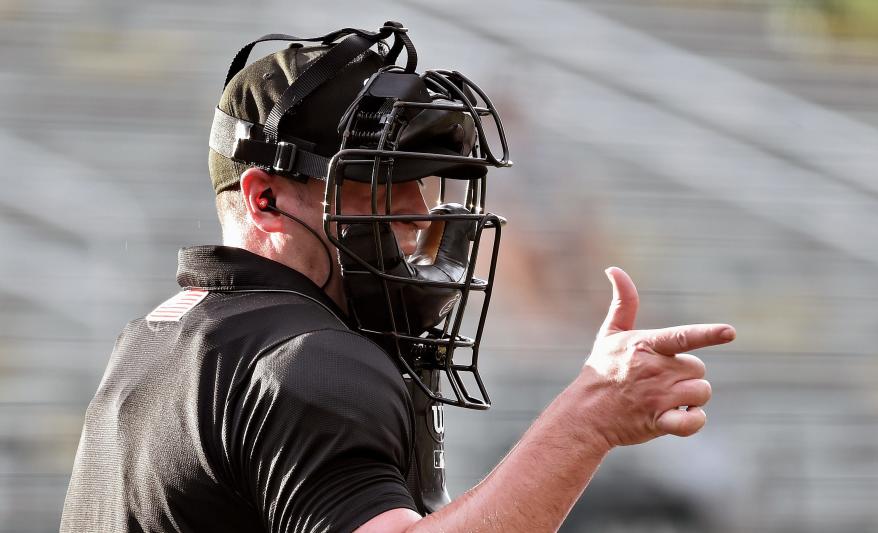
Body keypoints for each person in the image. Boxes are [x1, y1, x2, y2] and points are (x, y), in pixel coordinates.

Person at [60, 22, 735, 533]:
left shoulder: (150, 338)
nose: (416, 213)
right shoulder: (303, 360)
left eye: (420, 182)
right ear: (265, 197)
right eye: (374, 182)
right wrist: (587, 420)